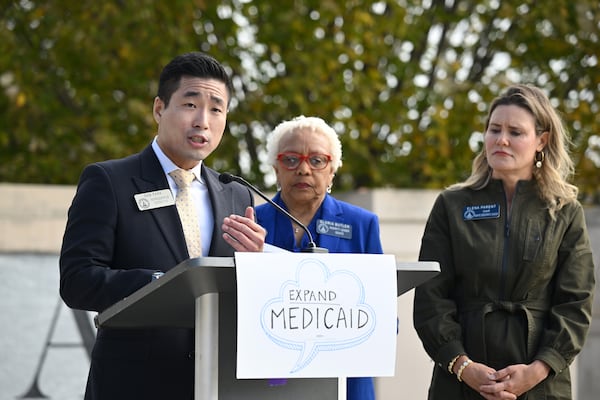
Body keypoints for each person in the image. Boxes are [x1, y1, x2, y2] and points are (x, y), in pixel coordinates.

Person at [59, 52, 266, 400]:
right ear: (159, 109)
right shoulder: (110, 181)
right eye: (190, 104)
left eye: (216, 109)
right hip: (133, 385)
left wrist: (257, 266)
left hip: (217, 383)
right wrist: (160, 286)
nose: (203, 120)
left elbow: (245, 296)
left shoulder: (237, 193)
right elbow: (77, 280)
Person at [413, 84, 595, 400]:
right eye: (494, 129)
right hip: (460, 384)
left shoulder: (565, 211)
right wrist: (463, 366)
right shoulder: (452, 205)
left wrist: (536, 371)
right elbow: (431, 297)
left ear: (542, 140)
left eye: (515, 131)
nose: (502, 139)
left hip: (541, 386)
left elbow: (576, 302)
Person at [255, 115, 383, 400]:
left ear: (332, 172)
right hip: (270, 383)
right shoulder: (249, 223)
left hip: (347, 384)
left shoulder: (362, 225)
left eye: (316, 160)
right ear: (276, 169)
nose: (303, 169)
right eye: (290, 159)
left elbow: (383, 318)